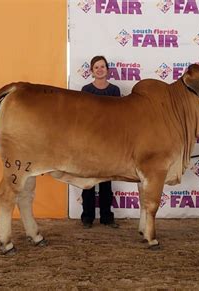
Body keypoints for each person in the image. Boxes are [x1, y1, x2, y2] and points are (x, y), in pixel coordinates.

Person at [80, 56, 120, 229]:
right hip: (89, 140)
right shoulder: (85, 90)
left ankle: (106, 216)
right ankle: (87, 217)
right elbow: (82, 116)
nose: (100, 69)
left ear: (107, 70)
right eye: (96, 67)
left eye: (102, 66)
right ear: (91, 71)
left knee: (106, 180)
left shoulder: (115, 90)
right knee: (88, 180)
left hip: (109, 141)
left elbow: (117, 115)